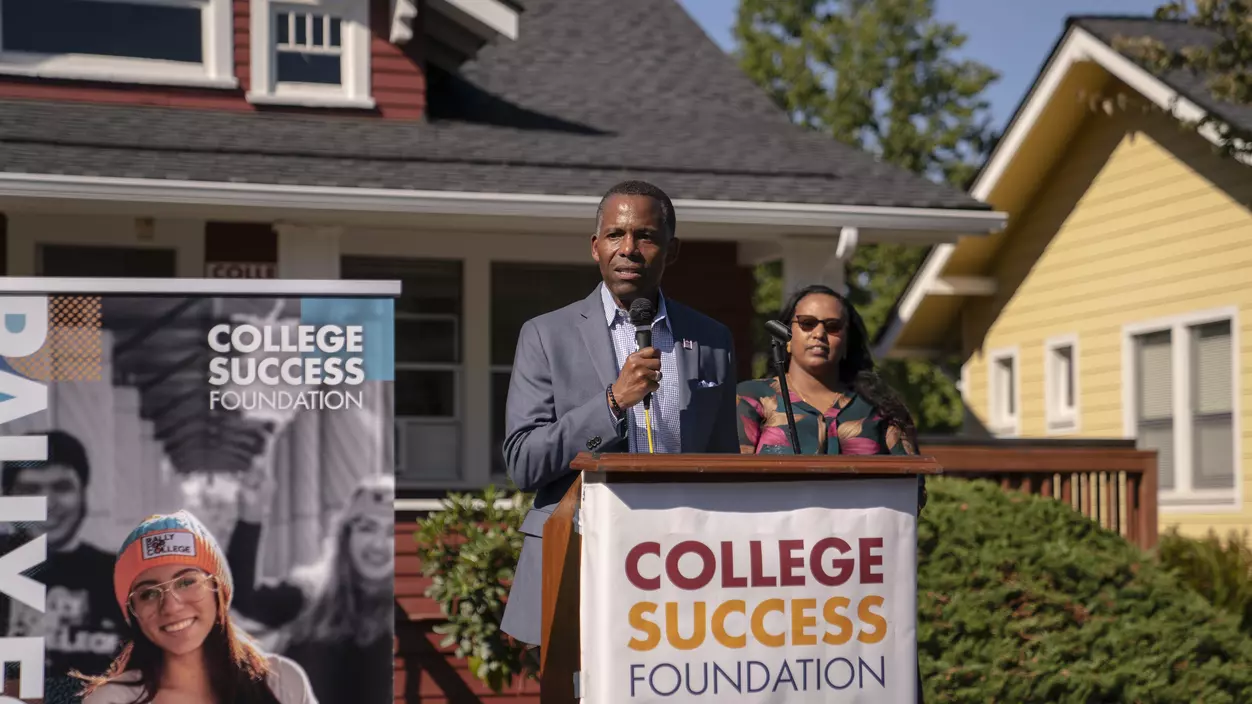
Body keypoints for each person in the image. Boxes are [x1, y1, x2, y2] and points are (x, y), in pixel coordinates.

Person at [500, 179, 740, 648]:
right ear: (596, 247)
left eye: (645, 236)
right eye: (615, 235)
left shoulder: (712, 340)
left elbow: (723, 464)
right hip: (581, 561)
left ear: (671, 251)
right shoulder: (546, 335)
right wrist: (612, 403)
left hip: (684, 567)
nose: (628, 248)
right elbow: (524, 462)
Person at [736, 283, 927, 701]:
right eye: (806, 323)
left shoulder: (881, 409)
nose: (818, 334)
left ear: (846, 338)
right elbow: (731, 484)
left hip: (863, 592)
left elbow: (914, 491)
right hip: (774, 587)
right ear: (786, 335)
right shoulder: (752, 400)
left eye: (832, 326)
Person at [75, 510, 317, 704]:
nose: (170, 605)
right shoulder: (111, 701)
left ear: (219, 590)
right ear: (132, 612)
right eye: (148, 593)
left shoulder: (282, 682)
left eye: (187, 582)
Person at [226, 471, 395, 704]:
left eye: (392, 532)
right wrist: (251, 516)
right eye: (367, 527)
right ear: (347, 535)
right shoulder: (312, 594)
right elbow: (244, 598)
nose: (378, 544)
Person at [0, 430, 126, 702]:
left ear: (83, 492)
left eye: (62, 487)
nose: (48, 503)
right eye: (30, 490)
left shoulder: (120, 575)